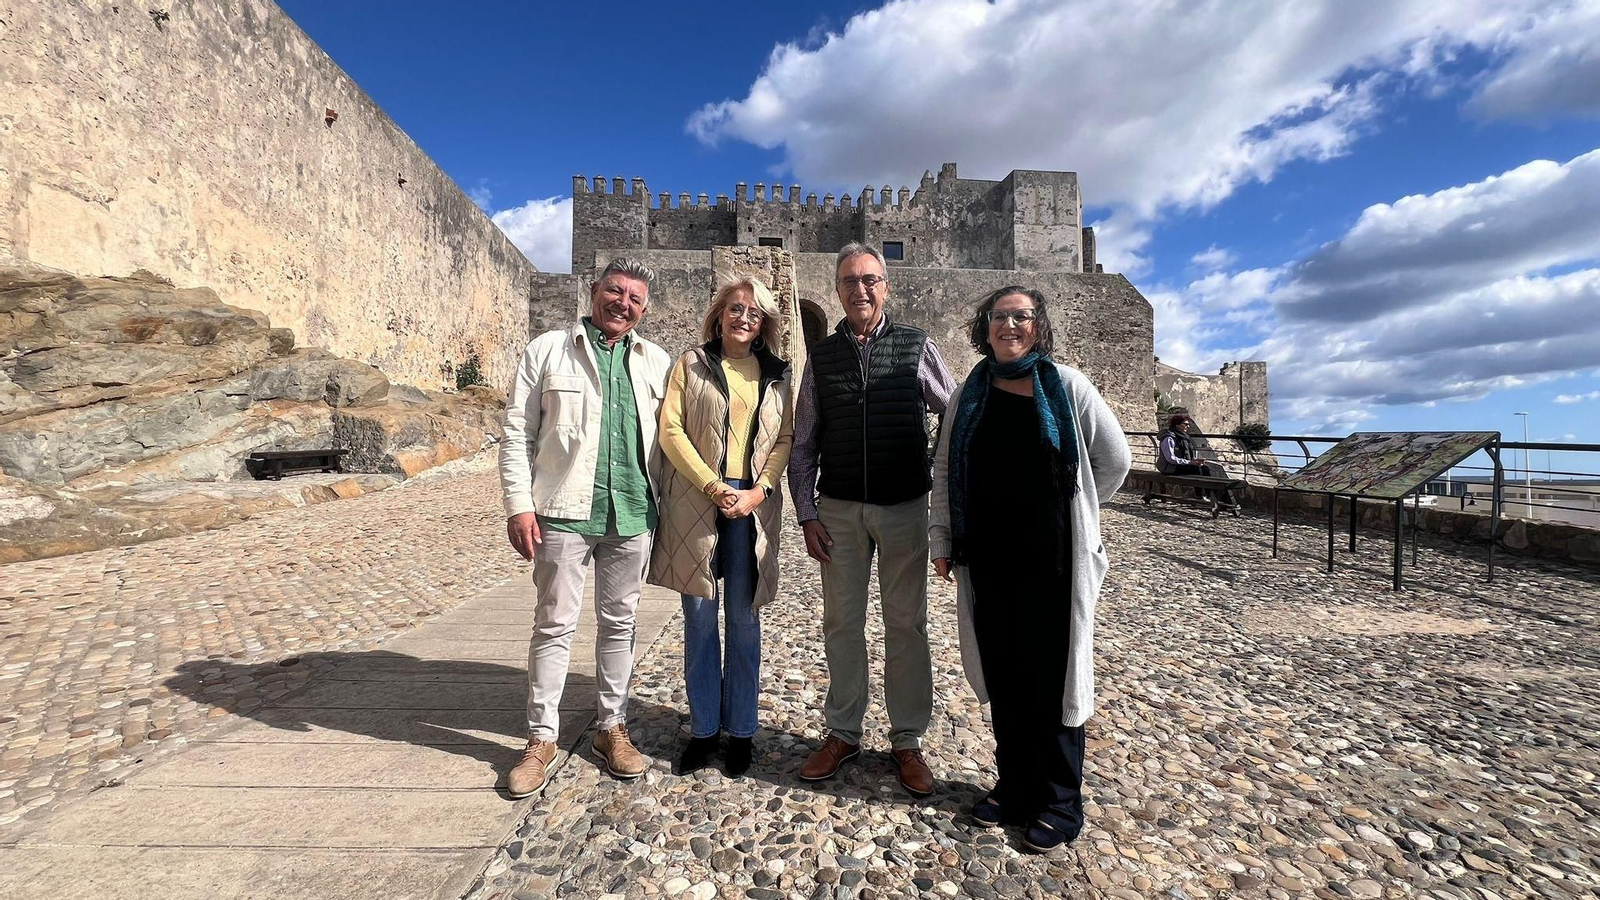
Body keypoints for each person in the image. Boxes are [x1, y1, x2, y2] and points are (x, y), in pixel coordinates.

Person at [929, 286, 1131, 852]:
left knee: (1055, 677)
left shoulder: (1068, 387)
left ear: (1038, 327)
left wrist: (1082, 510)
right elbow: (946, 467)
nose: (1009, 326)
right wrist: (941, 537)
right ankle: (1015, 785)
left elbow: (1115, 460)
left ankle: (1062, 800)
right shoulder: (971, 391)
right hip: (989, 557)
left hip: (1054, 560)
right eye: (999, 317)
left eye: (1021, 317)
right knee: (1006, 673)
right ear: (985, 326)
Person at [499, 257, 672, 798]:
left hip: (633, 511)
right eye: (615, 292)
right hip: (563, 510)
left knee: (620, 625)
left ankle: (610, 728)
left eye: (635, 298)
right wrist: (518, 505)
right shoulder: (547, 350)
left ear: (645, 308)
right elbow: (516, 432)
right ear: (594, 292)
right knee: (554, 624)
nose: (623, 304)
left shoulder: (657, 362)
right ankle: (541, 737)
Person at [787, 242, 955, 797]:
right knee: (841, 624)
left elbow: (952, 412)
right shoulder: (823, 357)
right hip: (839, 509)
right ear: (837, 290)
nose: (860, 290)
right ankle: (843, 732)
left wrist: (946, 498)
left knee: (907, 625)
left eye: (870, 279)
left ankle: (908, 740)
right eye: (848, 281)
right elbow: (805, 439)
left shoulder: (916, 347)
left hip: (905, 506)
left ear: (886, 286)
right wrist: (807, 512)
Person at [648, 277, 794, 778]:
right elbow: (671, 430)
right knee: (699, 619)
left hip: (750, 507)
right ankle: (705, 729)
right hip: (699, 500)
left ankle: (743, 731)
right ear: (719, 313)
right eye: (735, 309)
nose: (743, 318)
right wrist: (714, 487)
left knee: (745, 620)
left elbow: (784, 440)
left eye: (754, 314)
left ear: (764, 324)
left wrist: (758, 492)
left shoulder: (775, 376)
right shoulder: (691, 363)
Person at [1158, 413, 1236, 506]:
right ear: (1177, 425)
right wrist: (1190, 462)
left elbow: (1185, 455)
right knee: (1197, 469)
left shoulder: (1183, 437)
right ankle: (1201, 495)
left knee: (1205, 468)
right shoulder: (1169, 438)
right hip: (1169, 467)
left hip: (1178, 465)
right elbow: (1170, 458)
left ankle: (1208, 495)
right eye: (1185, 424)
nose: (1188, 426)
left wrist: (1195, 461)